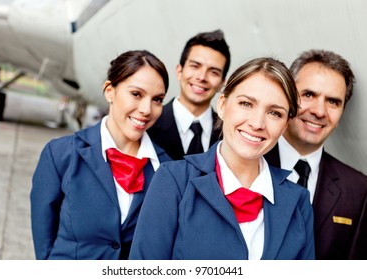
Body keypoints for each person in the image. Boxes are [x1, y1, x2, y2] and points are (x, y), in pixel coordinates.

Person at [129, 57, 315, 260]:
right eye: (246, 103)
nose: (257, 123)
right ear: (223, 105)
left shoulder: (298, 201)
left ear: (285, 125)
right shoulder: (174, 181)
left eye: (274, 113)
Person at [30, 50, 171, 260]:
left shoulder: (167, 169)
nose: (146, 109)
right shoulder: (61, 155)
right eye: (136, 94)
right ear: (109, 91)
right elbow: (44, 242)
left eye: (157, 99)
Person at [265, 49, 367, 260]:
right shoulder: (247, 162)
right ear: (287, 97)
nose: (320, 111)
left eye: (333, 102)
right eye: (309, 95)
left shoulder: (358, 190)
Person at [147, 29, 231, 160]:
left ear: (222, 83)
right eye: (195, 66)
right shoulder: (148, 123)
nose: (202, 77)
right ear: (179, 71)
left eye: (214, 72)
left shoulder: (228, 133)